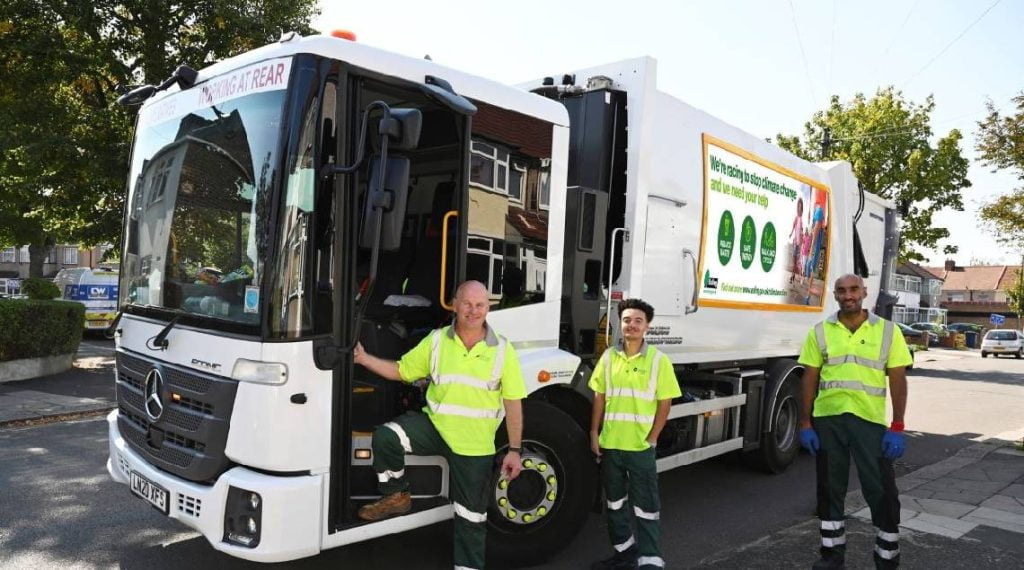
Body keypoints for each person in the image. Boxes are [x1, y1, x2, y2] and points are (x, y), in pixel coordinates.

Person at [352, 280, 526, 570]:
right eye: (467, 304)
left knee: (471, 518)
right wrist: (364, 359)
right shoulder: (436, 341)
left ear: (488, 308)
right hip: (435, 429)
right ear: (455, 305)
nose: (473, 310)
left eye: (480, 305)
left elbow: (513, 403)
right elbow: (401, 370)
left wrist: (515, 450)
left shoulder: (503, 351)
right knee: (386, 437)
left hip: (474, 446)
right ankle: (397, 495)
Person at [797, 274, 912, 569]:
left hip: (868, 421)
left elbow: (898, 379)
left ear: (864, 292)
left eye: (853, 289)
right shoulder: (820, 331)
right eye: (842, 291)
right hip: (828, 420)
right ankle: (832, 556)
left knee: (881, 488)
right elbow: (809, 378)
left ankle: (887, 556)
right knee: (829, 487)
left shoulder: (888, 331)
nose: (848, 295)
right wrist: (805, 424)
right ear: (835, 295)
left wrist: (897, 426)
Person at [588, 298, 681, 570]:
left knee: (646, 505)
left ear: (647, 326)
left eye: (638, 321)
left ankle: (651, 558)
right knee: (615, 503)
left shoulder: (658, 360)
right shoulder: (608, 357)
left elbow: (665, 402)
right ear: (620, 324)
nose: (632, 325)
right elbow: (599, 396)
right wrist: (594, 432)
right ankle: (624, 552)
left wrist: (652, 438)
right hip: (611, 445)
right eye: (627, 320)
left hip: (640, 447)